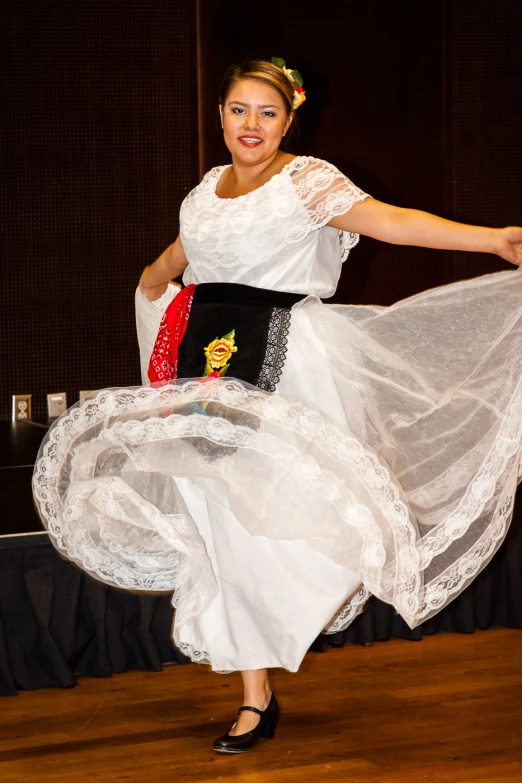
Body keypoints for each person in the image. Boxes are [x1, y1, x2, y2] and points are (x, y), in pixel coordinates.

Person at [33, 58, 522, 755]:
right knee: (219, 524)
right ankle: (254, 697)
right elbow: (182, 253)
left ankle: (294, 613)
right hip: (203, 370)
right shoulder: (205, 190)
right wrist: (153, 282)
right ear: (221, 115)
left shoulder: (307, 181)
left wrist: (492, 238)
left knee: (290, 522)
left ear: (289, 119)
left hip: (288, 364)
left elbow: (392, 222)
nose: (251, 125)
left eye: (266, 112)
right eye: (238, 110)